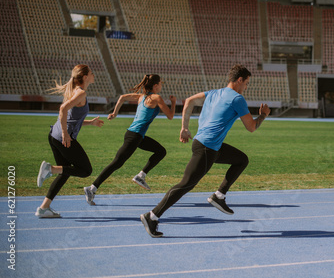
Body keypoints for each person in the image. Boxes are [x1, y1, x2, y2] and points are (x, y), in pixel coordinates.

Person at [140, 64, 270, 237]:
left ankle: (219, 195)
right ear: (239, 80)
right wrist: (263, 115)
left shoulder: (214, 93)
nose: (246, 87)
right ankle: (152, 216)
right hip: (207, 148)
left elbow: (189, 101)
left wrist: (184, 128)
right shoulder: (237, 99)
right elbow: (251, 127)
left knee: (241, 159)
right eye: (246, 83)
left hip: (206, 144)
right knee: (186, 184)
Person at [84, 74, 176, 205]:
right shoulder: (156, 98)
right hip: (134, 136)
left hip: (137, 136)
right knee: (117, 163)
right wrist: (173, 102)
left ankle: (141, 176)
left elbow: (122, 98)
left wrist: (115, 113)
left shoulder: (141, 97)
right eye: (160, 83)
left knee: (161, 151)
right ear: (155, 85)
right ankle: (92, 188)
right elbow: (170, 116)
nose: (161, 85)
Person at [36, 64, 104, 218]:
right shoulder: (80, 93)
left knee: (65, 171)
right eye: (92, 73)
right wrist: (66, 134)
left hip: (54, 135)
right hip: (63, 138)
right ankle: (50, 169)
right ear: (85, 77)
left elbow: (72, 119)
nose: (94, 75)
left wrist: (90, 123)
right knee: (86, 170)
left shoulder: (74, 91)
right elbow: (63, 110)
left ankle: (44, 208)